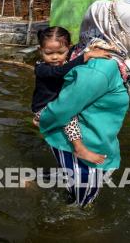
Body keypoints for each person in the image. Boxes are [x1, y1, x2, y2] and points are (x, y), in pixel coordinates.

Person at [39, 0, 130, 207]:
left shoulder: (102, 57)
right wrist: (42, 121)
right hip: (84, 148)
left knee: (77, 189)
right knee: (81, 206)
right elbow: (62, 110)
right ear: (116, 29)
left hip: (97, 142)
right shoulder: (102, 68)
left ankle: (37, 182)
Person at [32, 26, 112, 165]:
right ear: (40, 51)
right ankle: (79, 148)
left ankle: (42, 122)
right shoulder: (41, 68)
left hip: (55, 104)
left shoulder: (65, 59)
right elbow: (60, 72)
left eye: (60, 52)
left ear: (68, 49)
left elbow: (76, 53)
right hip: (43, 107)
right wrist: (86, 56)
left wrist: (92, 48)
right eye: (49, 53)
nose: (55, 57)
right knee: (70, 118)